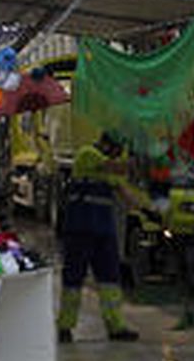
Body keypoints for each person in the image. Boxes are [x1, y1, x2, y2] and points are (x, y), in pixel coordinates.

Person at [57, 134, 138, 344]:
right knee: (73, 280)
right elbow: (113, 168)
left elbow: (125, 193)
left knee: (110, 279)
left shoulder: (107, 170)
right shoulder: (87, 155)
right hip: (79, 231)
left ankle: (116, 326)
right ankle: (65, 326)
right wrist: (134, 163)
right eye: (117, 150)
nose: (118, 155)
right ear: (108, 145)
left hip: (103, 232)